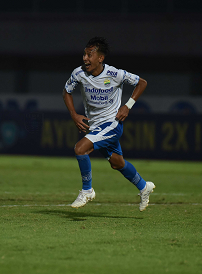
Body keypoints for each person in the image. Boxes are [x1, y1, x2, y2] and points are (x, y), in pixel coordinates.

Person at [62, 37, 155, 212]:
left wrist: (127, 106)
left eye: (90, 55)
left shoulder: (115, 74)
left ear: (100, 58)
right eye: (84, 54)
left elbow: (142, 83)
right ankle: (144, 187)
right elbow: (66, 91)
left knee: (80, 149)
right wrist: (74, 115)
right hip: (95, 126)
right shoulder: (79, 73)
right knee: (117, 163)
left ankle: (87, 190)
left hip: (112, 124)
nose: (85, 58)